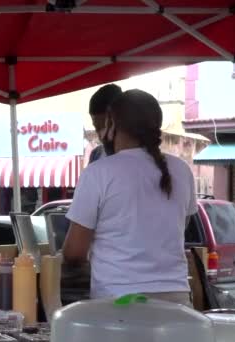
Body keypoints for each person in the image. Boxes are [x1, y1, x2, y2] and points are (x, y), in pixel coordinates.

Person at [63, 89, 197, 307]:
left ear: (112, 125)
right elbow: (179, 228)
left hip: (119, 304)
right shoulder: (182, 170)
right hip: (177, 303)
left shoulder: (98, 173)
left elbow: (74, 253)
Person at [87, 84, 122, 164]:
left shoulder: (142, 159)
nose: (101, 136)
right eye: (97, 128)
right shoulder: (96, 155)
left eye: (105, 127)